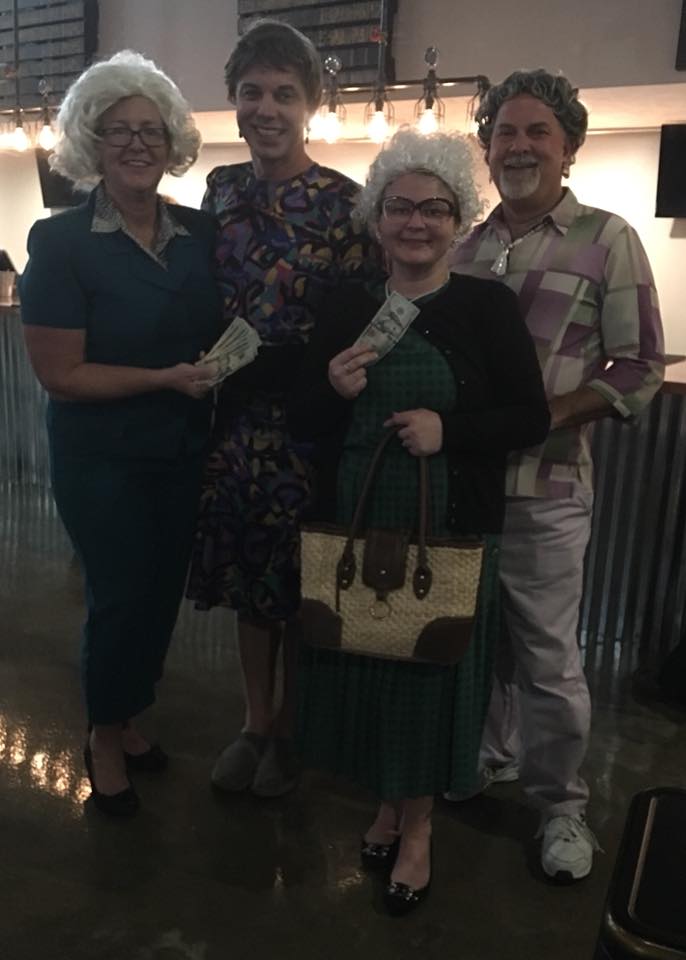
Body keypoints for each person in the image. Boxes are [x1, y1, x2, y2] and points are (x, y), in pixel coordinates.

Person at [289, 128, 551, 915]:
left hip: (449, 525)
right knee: (370, 660)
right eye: (399, 207)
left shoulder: (484, 305)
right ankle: (386, 803)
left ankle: (418, 828)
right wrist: (330, 389)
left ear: (458, 220)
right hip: (360, 516)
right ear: (376, 219)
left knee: (430, 672)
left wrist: (450, 430)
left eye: (434, 208)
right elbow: (304, 421)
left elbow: (530, 417)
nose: (416, 222)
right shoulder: (345, 305)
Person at [450, 69, 665, 881]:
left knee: (546, 658)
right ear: (486, 148)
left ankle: (561, 806)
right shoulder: (464, 244)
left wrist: (548, 416)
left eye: (538, 131)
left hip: (547, 488)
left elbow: (640, 364)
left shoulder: (607, 238)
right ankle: (493, 753)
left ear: (569, 146)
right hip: (464, 487)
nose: (519, 146)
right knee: (478, 646)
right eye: (505, 132)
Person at [20, 51, 222, 817]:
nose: (138, 144)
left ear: (172, 142)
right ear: (91, 142)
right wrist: (165, 378)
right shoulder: (61, 243)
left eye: (151, 130)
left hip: (181, 447)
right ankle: (104, 736)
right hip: (100, 459)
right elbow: (62, 375)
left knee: (161, 594)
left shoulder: (198, 233)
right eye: (119, 131)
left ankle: (130, 711)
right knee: (118, 596)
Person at [186, 19, 376, 797]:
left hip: (307, 418)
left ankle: (290, 731)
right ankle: (253, 721)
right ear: (234, 102)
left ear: (310, 106)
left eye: (285, 94)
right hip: (234, 418)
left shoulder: (347, 204)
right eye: (252, 92)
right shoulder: (221, 189)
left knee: (300, 581)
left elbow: (361, 320)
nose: (267, 108)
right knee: (246, 582)